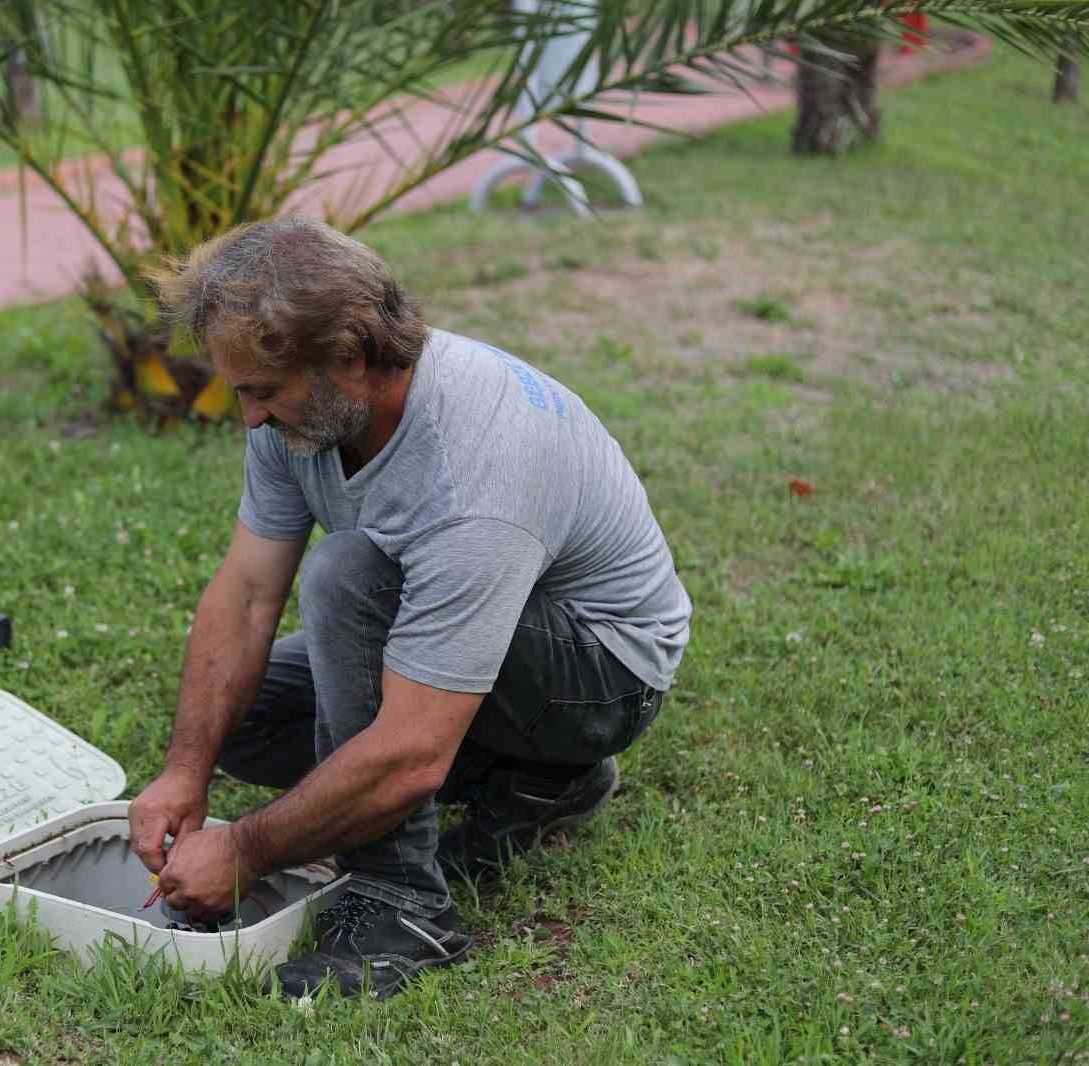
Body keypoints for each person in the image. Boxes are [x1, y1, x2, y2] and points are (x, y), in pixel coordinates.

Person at [126, 216, 691, 1000]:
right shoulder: (298, 416)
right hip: (479, 642)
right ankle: (539, 782)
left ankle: (400, 904)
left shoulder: (473, 465)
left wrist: (247, 850)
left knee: (349, 572)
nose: (250, 417)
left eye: (262, 393)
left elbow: (417, 747)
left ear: (350, 356)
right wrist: (182, 772)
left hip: (600, 674)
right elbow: (248, 594)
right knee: (245, 722)